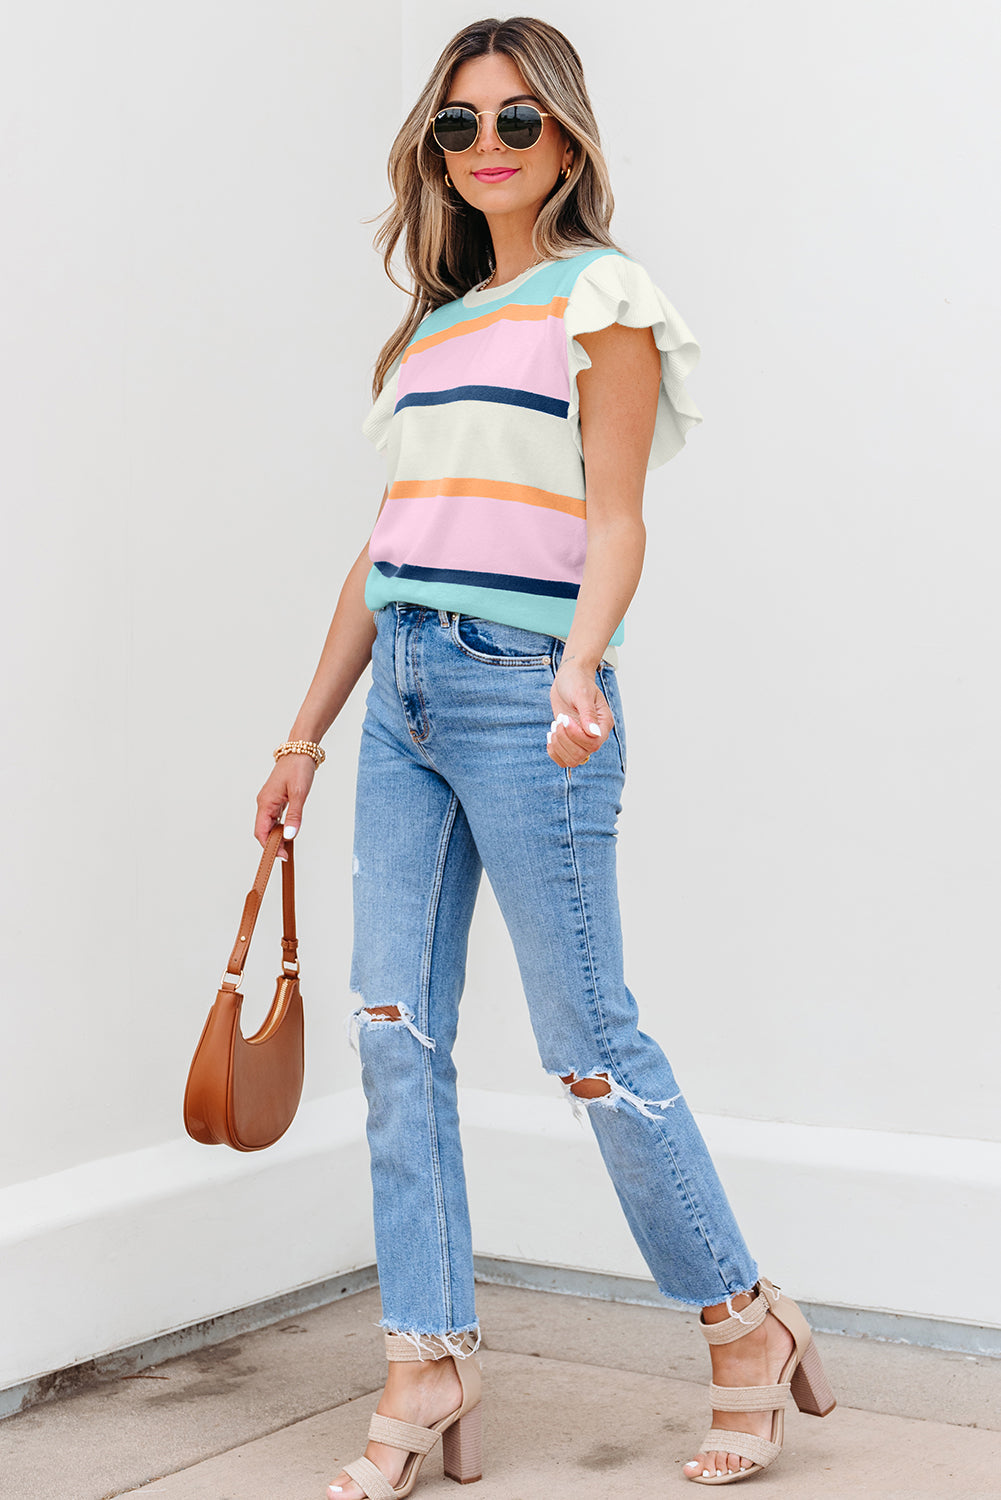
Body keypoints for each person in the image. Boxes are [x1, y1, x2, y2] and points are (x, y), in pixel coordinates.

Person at [254, 16, 836, 1495]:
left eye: (518, 118)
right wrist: (303, 734)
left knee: (586, 1039)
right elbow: (387, 548)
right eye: (460, 124)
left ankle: (740, 1322)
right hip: (402, 697)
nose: (489, 146)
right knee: (392, 1027)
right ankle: (426, 1355)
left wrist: (580, 660)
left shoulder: (603, 296)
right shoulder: (432, 330)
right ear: (434, 151)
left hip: (528, 690)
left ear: (566, 137)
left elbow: (617, 518)